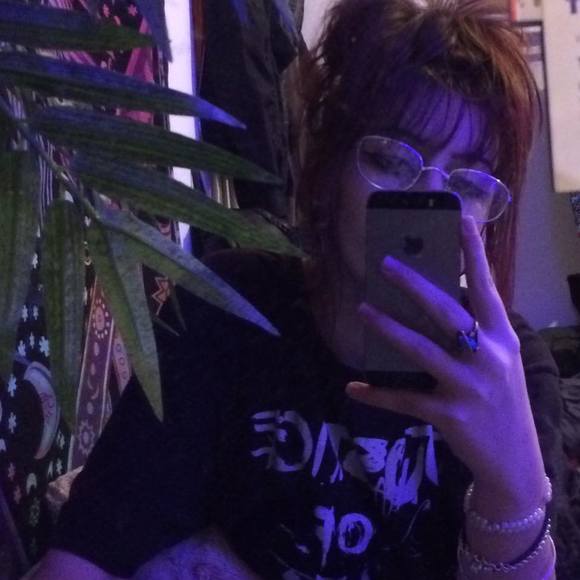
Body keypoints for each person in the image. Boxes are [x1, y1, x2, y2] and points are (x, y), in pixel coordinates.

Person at [32, 0, 569, 578]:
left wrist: (512, 486)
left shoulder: (512, 369)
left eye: (471, 182)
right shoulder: (229, 311)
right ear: (331, 164)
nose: (429, 199)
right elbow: (87, 554)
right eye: (392, 158)